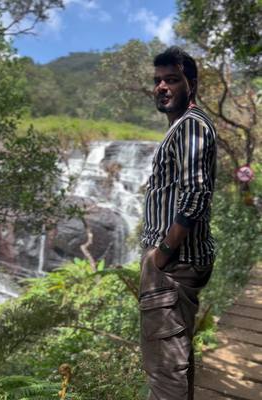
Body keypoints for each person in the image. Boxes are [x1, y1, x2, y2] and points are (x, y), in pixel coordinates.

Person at [139, 46, 217, 400]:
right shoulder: (184, 127)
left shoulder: (190, 126)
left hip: (174, 265)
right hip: (178, 263)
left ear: (192, 84)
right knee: (176, 360)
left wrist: (162, 254)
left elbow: (196, 194)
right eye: (157, 81)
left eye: (172, 79)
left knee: (164, 371)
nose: (162, 87)